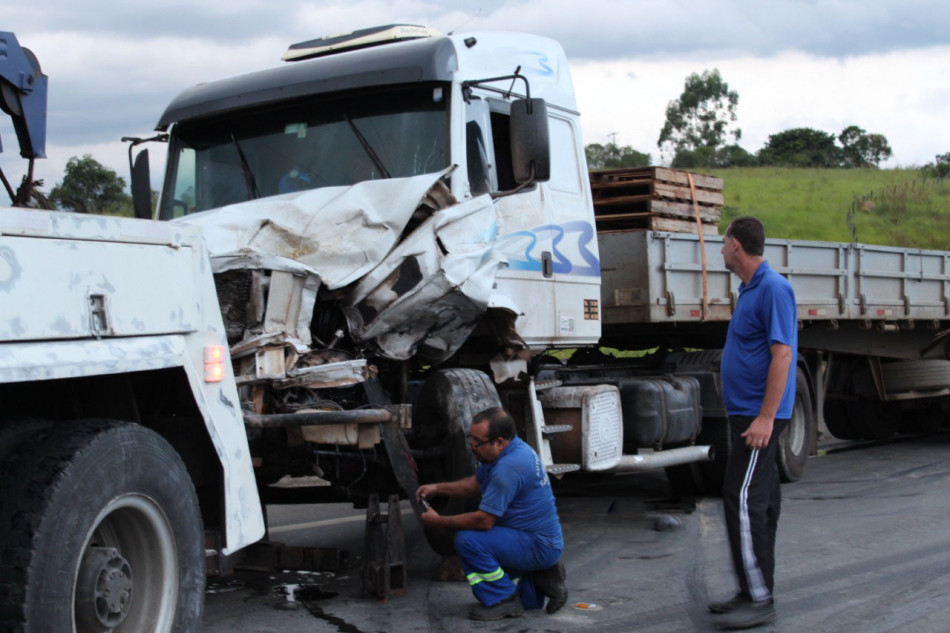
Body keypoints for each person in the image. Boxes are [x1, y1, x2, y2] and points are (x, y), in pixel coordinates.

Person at [709, 216, 797, 630]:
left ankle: (759, 597)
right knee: (760, 502)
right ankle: (753, 590)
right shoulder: (748, 290)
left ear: (737, 246)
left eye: (724, 242)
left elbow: (783, 355)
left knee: (740, 498)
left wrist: (765, 417)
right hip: (746, 413)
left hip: (758, 418)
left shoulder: (774, 289)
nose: (721, 249)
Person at [417, 406, 568, 621]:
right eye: (471, 438)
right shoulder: (509, 451)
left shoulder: (509, 467)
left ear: (499, 442)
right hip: (534, 538)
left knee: (468, 540)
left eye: (478, 442)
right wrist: (438, 487)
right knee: (531, 603)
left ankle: (503, 600)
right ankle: (542, 576)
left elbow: (483, 521)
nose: (472, 446)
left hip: (537, 544)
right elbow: (476, 484)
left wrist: (439, 521)